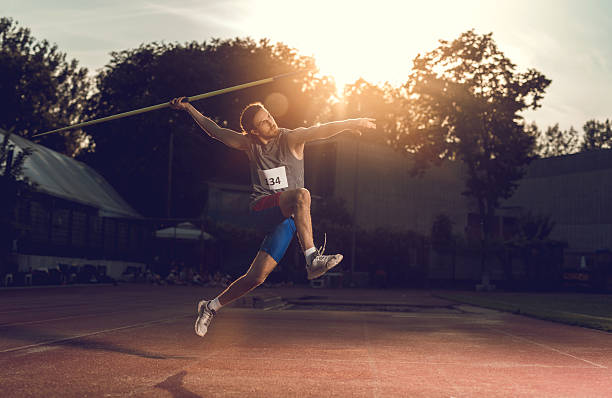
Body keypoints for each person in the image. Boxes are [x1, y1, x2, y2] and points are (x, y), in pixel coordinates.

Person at [169, 97, 376, 337]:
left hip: (286, 219)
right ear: (254, 131)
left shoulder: (291, 138)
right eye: (264, 123)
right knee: (302, 195)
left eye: (269, 116)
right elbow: (215, 131)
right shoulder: (250, 144)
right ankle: (312, 260)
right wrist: (188, 108)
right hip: (262, 209)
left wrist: (352, 122)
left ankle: (210, 306)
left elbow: (320, 130)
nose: (271, 122)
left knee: (256, 277)